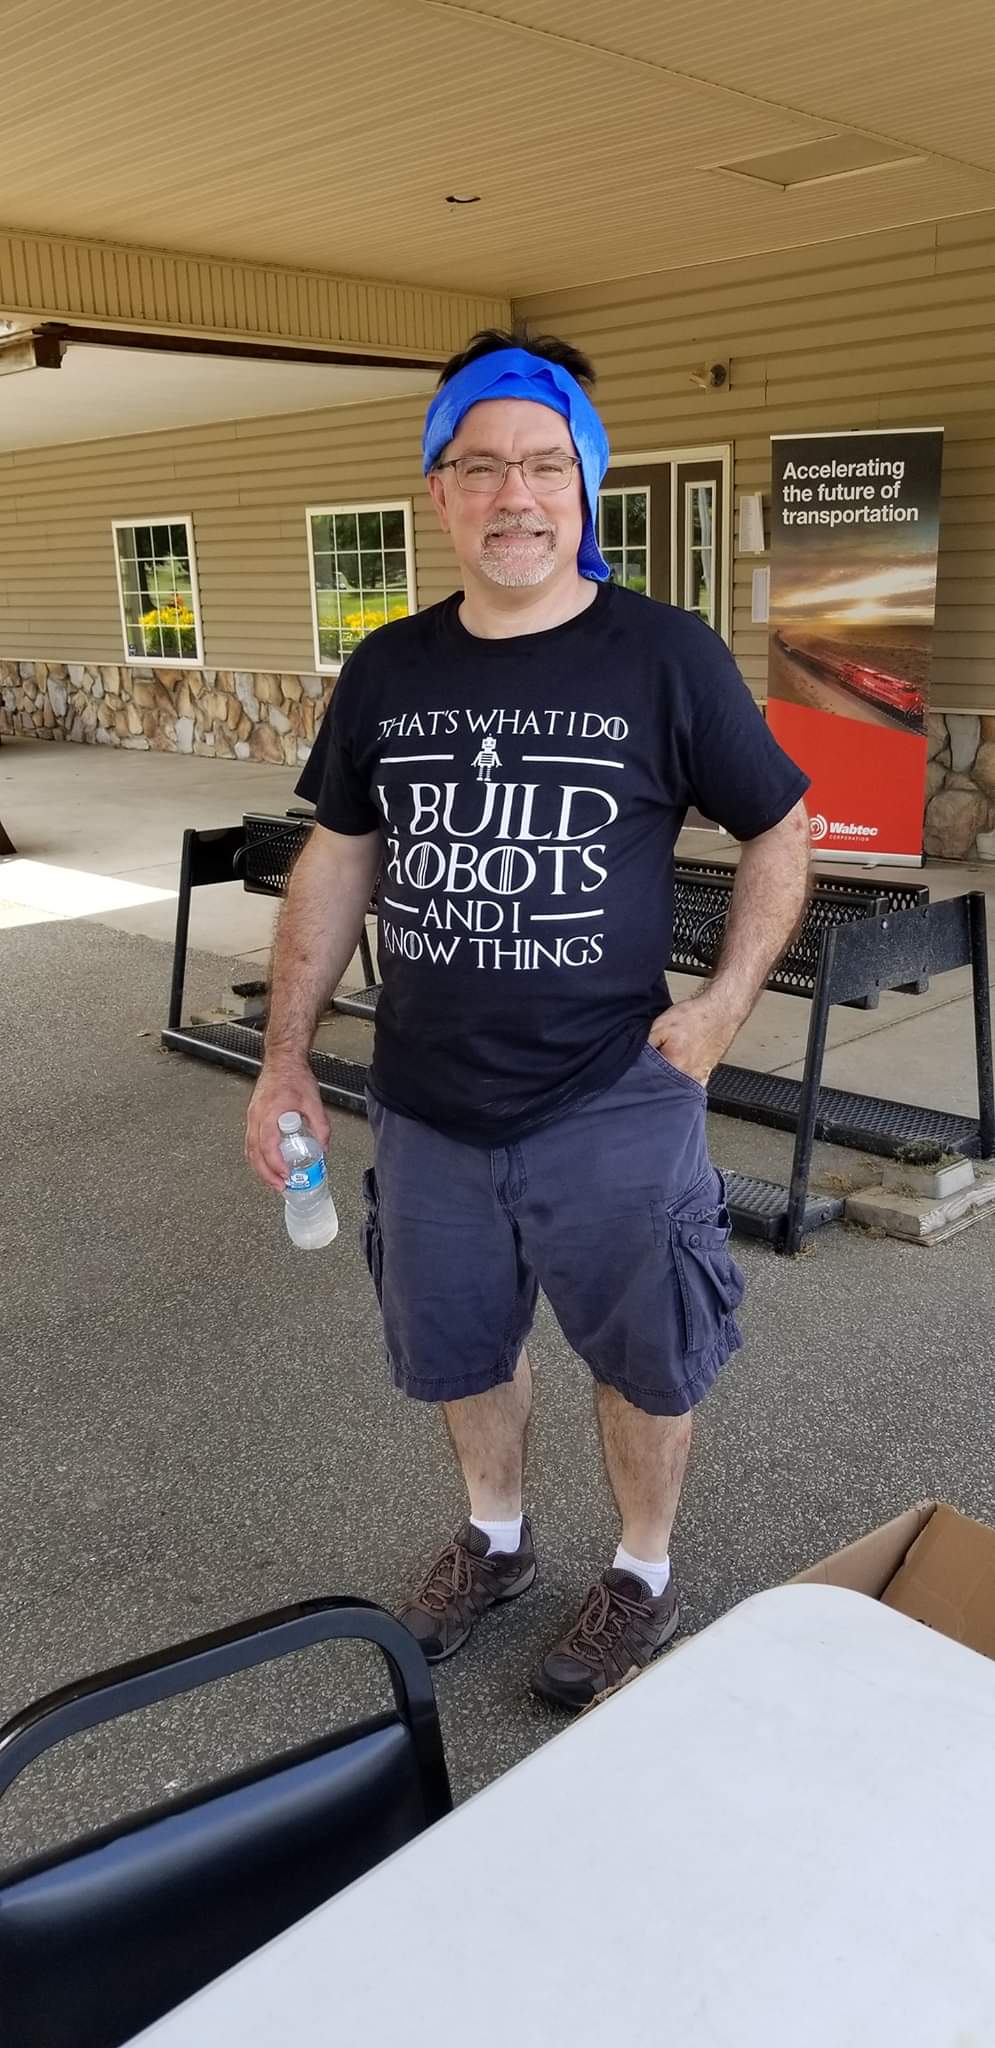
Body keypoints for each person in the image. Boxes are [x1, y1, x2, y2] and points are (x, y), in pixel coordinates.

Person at [245, 328, 811, 1711]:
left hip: (613, 1091)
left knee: (646, 1355)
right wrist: (284, 1059)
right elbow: (340, 855)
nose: (516, 496)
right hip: (428, 1100)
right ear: (440, 492)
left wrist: (722, 1008)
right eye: (483, 466)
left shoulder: (664, 656)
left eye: (546, 466)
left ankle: (642, 1571)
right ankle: (496, 1541)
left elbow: (780, 825)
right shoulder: (389, 669)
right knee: (460, 1348)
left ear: (584, 485)